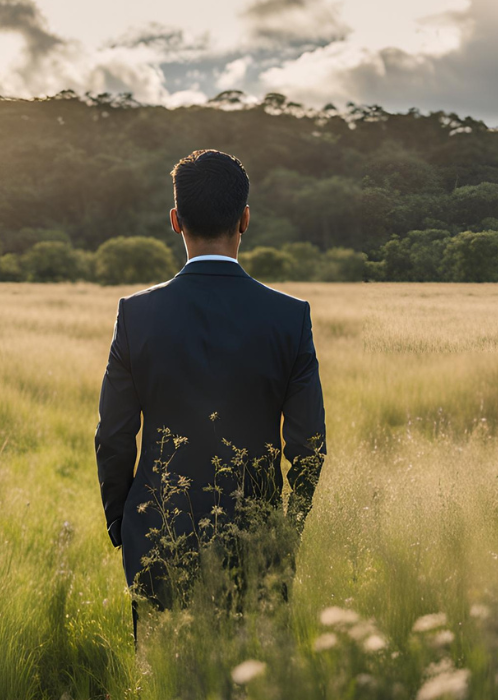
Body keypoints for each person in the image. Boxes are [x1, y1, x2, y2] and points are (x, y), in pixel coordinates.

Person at [94, 149, 327, 645]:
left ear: (175, 221)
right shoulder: (291, 317)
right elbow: (309, 446)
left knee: (161, 674)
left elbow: (114, 436)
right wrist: (285, 535)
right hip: (257, 538)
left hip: (157, 532)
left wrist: (125, 525)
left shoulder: (136, 316)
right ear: (245, 219)